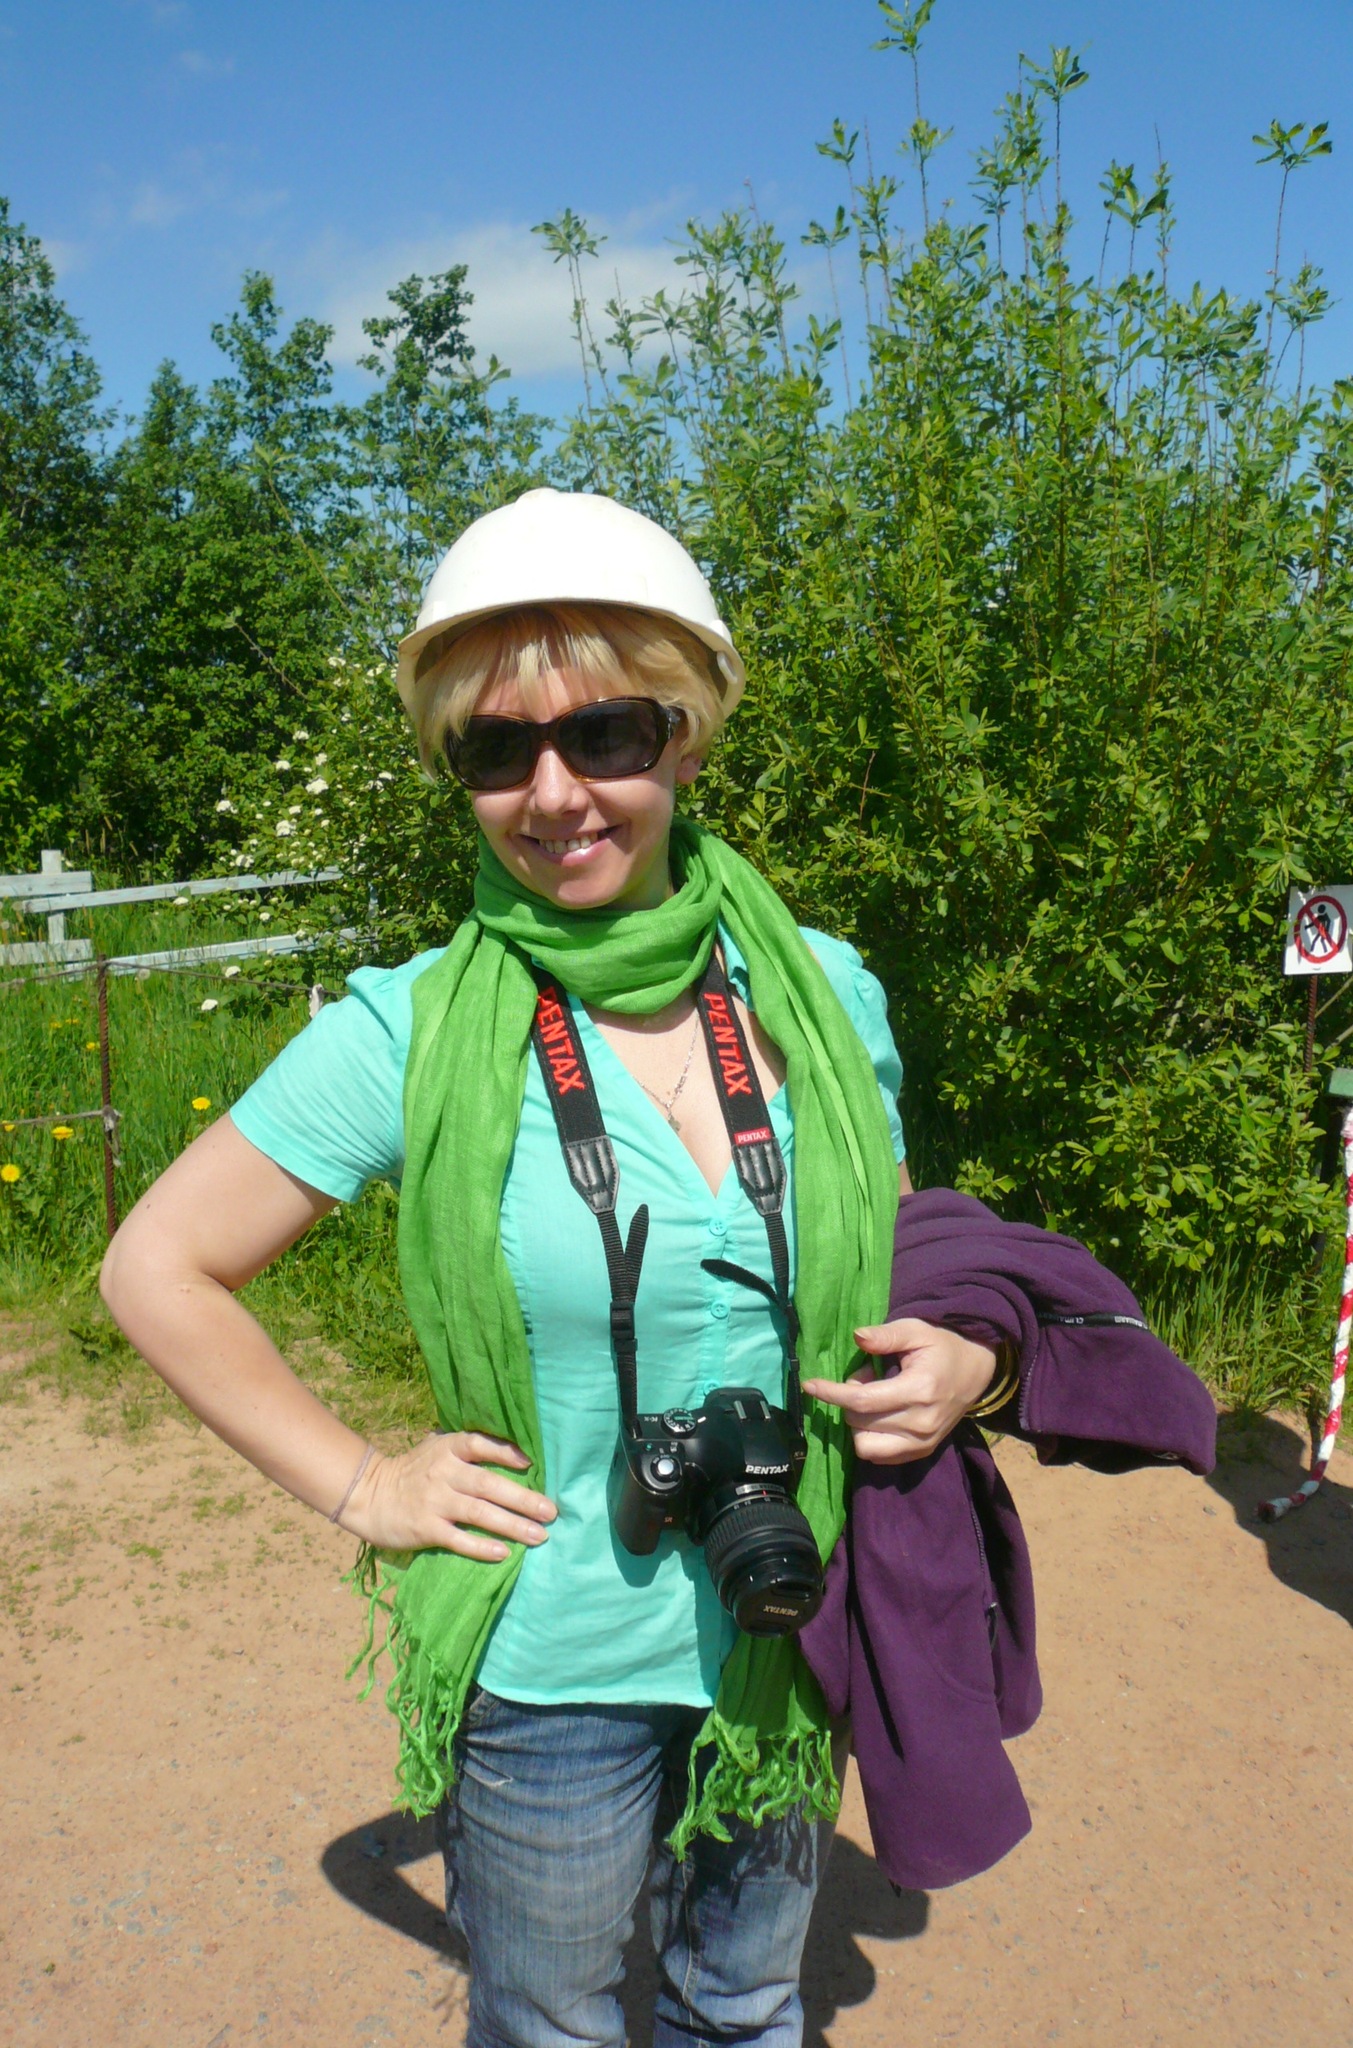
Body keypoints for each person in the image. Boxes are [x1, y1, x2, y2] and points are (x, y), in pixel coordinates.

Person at [100, 488, 1003, 2048]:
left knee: (746, 2005)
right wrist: (362, 1485)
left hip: (790, 1609)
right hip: (552, 1655)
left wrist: (960, 1354)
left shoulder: (824, 994)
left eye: (604, 734)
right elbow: (156, 1266)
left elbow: (899, 1243)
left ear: (685, 739)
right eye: (494, 749)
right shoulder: (408, 1032)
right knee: (553, 2024)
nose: (553, 792)